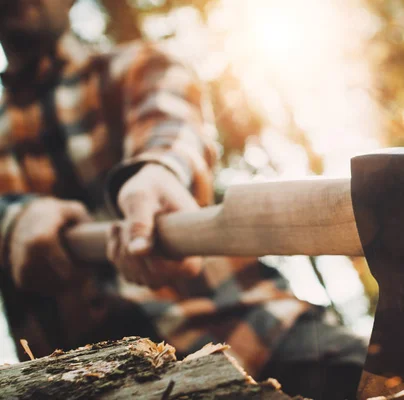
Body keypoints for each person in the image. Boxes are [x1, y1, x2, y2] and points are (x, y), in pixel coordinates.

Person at [0, 1, 367, 399]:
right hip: (91, 385)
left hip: (253, 332)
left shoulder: (139, 64)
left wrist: (159, 171)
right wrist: (11, 219)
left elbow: (171, 126)